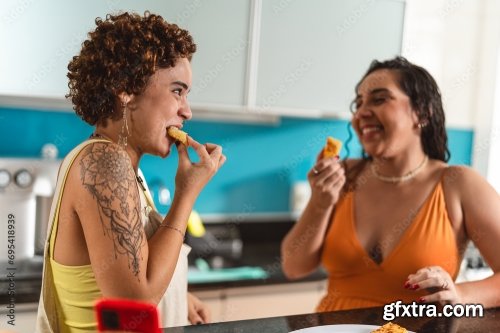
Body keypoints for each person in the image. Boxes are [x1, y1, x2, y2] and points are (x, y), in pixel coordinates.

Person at [36, 12, 226, 332]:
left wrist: (181, 296)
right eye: (177, 91)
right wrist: (186, 195)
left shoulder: (123, 167)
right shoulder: (106, 164)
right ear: (126, 89)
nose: (187, 111)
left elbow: (125, 273)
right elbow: (135, 305)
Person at [281, 56, 500, 312]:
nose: (361, 112)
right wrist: (320, 202)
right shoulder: (345, 176)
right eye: (358, 103)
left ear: (422, 113)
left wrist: (460, 295)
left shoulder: (457, 183)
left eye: (379, 99)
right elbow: (294, 267)